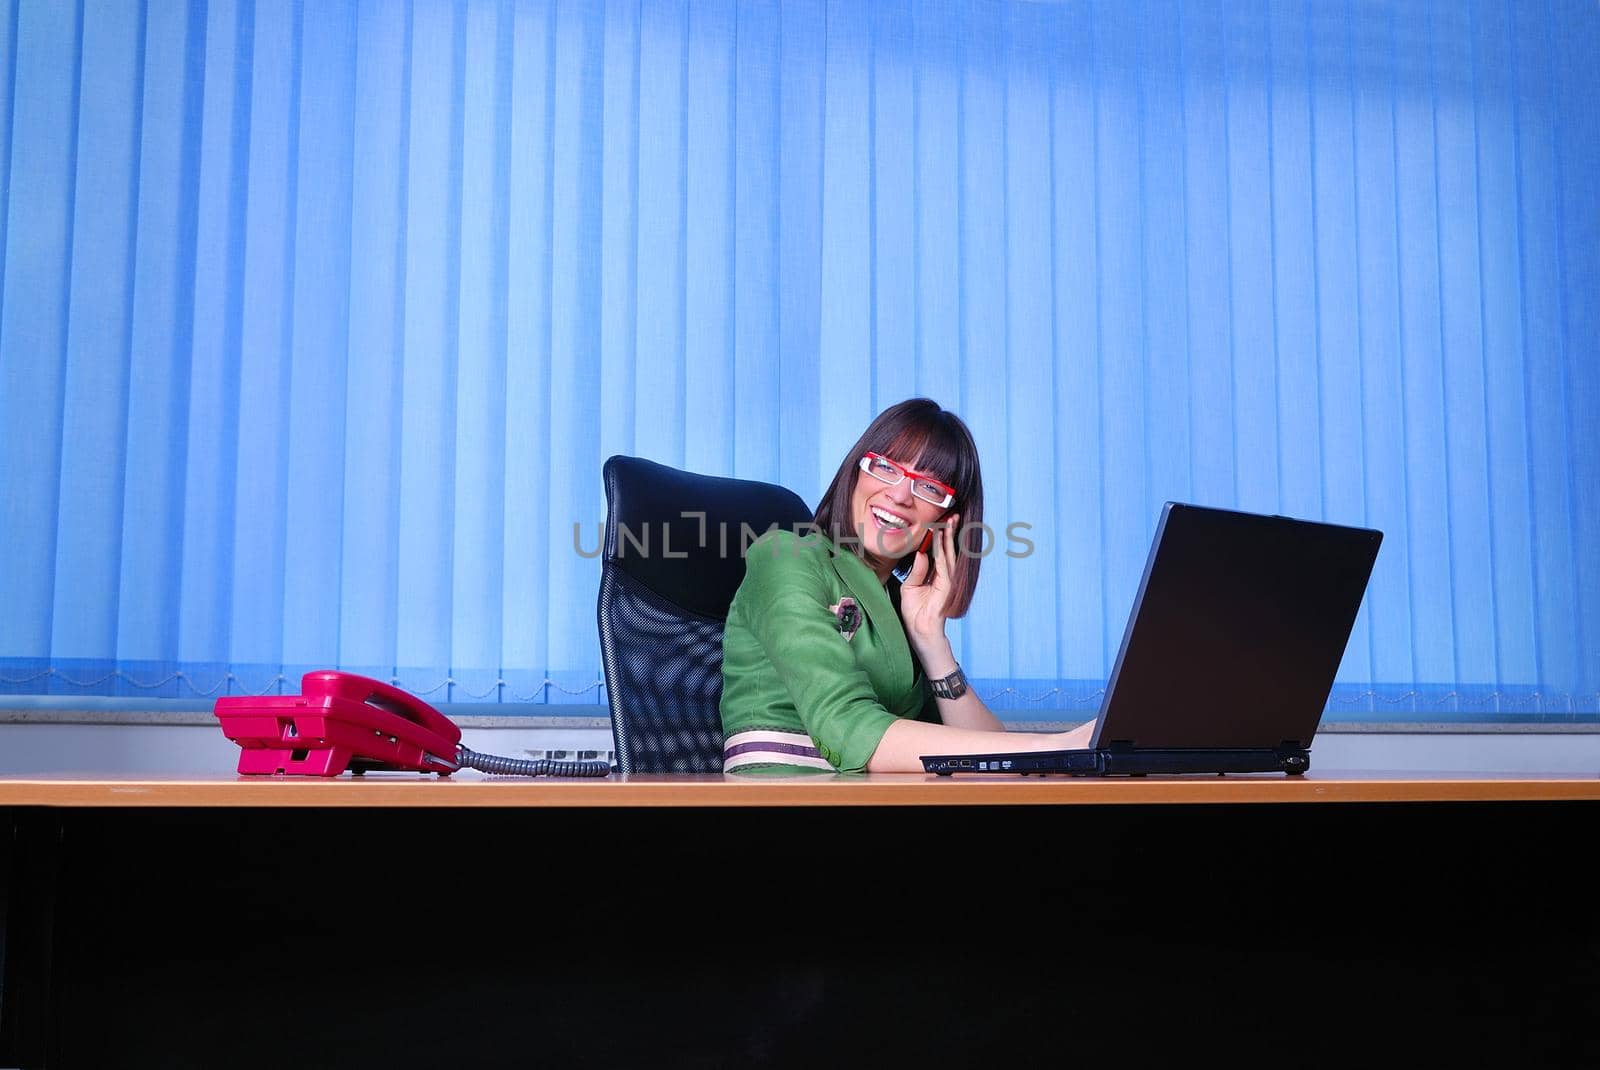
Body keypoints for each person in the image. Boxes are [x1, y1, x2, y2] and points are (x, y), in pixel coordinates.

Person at [719, 397, 1096, 774]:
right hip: (781, 800)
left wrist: (932, 643)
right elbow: (846, 728)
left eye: (929, 487)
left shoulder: (897, 603)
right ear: (856, 472)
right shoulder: (786, 557)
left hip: (882, 802)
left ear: (947, 521)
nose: (900, 495)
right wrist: (1054, 748)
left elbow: (985, 763)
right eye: (885, 467)